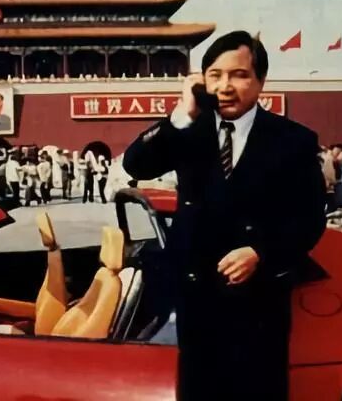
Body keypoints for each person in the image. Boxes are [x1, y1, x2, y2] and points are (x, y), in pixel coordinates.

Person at [123, 30, 326, 401]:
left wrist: (260, 251)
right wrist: (182, 114)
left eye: (239, 75)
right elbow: (136, 164)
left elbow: (309, 219)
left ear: (261, 81)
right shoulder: (189, 130)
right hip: (195, 299)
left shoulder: (292, 140)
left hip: (259, 303)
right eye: (214, 75)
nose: (225, 86)